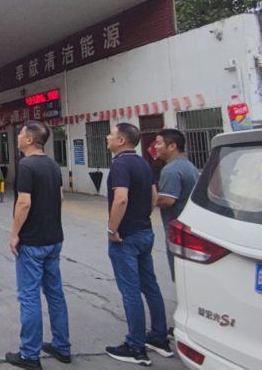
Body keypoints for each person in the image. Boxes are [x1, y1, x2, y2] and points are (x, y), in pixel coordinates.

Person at [5, 120, 71, 370]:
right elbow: (60, 197)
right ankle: (62, 346)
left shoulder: (26, 165)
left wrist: (15, 234)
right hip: (54, 239)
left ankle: (29, 355)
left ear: (30, 140)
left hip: (32, 242)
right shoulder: (53, 164)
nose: (18, 136)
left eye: (21, 133)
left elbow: (24, 202)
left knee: (29, 295)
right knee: (55, 293)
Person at [105, 123, 171, 365]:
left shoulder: (120, 164)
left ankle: (135, 346)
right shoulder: (143, 163)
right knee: (150, 285)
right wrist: (142, 216)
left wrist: (113, 229)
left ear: (121, 140)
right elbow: (154, 197)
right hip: (145, 231)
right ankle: (159, 337)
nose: (108, 137)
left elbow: (120, 199)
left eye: (112, 134)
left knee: (131, 291)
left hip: (126, 237)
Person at [154, 129, 199, 281]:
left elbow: (167, 200)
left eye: (159, 143)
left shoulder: (171, 170)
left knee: (181, 277)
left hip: (177, 229)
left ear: (172, 146)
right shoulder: (188, 166)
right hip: (189, 226)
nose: (156, 147)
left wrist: (147, 199)